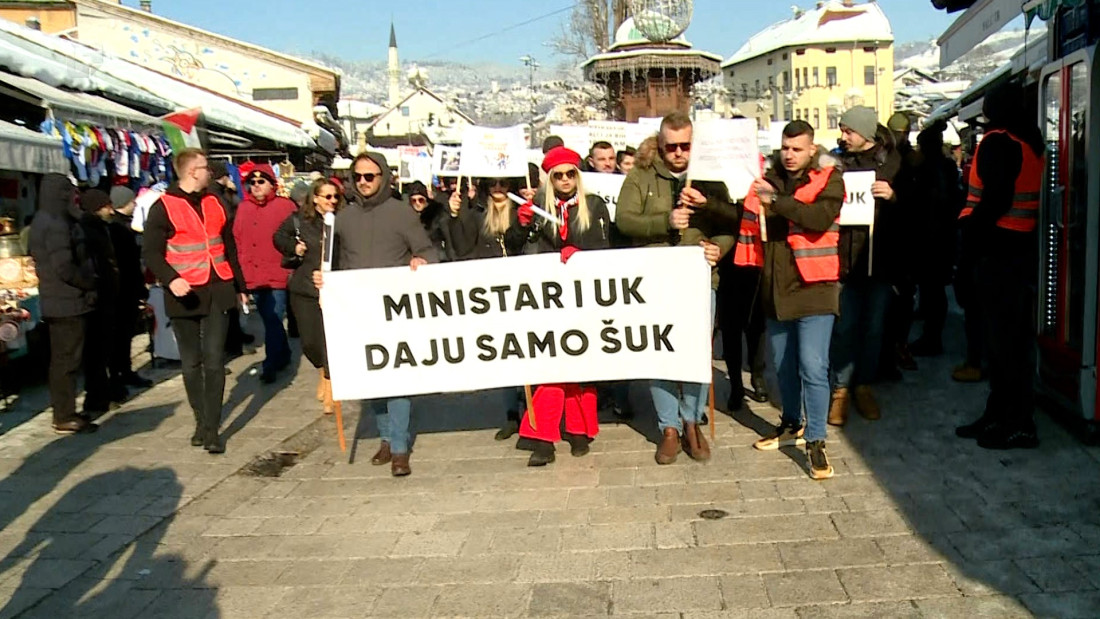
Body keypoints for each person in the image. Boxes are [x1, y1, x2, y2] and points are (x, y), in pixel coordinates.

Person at [616, 112, 735, 464]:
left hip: (699, 276)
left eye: (685, 146)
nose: (679, 153)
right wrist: (663, 222)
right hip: (655, 277)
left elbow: (730, 221)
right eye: (672, 147)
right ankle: (668, 427)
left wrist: (721, 248)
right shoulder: (641, 175)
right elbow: (624, 220)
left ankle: (691, 421)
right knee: (661, 351)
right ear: (661, 143)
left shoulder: (709, 177)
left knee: (698, 354)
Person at [315, 152, 438, 476]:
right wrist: (322, 280)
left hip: (394, 311)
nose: (364, 182)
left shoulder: (401, 213)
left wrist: (421, 261)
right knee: (372, 380)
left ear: (383, 177)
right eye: (358, 177)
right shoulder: (343, 218)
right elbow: (330, 263)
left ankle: (399, 448)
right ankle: (385, 438)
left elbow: (427, 250)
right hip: (357, 311)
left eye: (370, 176)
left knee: (396, 377)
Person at [739, 120, 844, 480]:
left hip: (816, 288)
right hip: (776, 289)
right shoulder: (764, 179)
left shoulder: (830, 178)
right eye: (785, 147)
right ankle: (790, 424)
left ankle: (816, 440)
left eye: (797, 148)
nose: (789, 154)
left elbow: (818, 217)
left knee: (813, 366)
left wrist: (777, 202)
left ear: (812, 149)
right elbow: (746, 219)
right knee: (782, 365)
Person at [954, 82, 1044, 450]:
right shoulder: (1030, 141)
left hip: (996, 254)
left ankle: (1016, 422)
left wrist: (967, 248)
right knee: (1013, 344)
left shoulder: (997, 142)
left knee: (1003, 346)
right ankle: (1001, 415)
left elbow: (993, 201)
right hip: (1020, 251)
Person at [143, 148, 247, 454]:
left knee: (214, 361)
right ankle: (201, 419)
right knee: (191, 364)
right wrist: (170, 278)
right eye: (205, 168)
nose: (210, 173)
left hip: (218, 288)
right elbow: (150, 252)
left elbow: (228, 245)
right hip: (183, 292)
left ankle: (212, 429)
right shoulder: (163, 207)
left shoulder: (216, 201)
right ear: (192, 172)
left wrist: (240, 286)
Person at [513, 146, 611, 466]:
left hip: (582, 296)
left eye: (571, 174)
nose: (565, 180)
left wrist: (579, 251)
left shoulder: (593, 204)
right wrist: (522, 224)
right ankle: (544, 435)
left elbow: (604, 245)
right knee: (550, 362)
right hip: (547, 296)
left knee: (580, 363)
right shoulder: (538, 207)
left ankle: (579, 428)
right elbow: (515, 249)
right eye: (559, 175)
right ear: (550, 178)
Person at [828, 106, 902, 427]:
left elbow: (914, 208)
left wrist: (894, 196)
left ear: (866, 134)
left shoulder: (892, 162)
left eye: (849, 131)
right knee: (844, 328)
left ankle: (864, 385)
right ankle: (840, 390)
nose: (843, 137)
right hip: (844, 262)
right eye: (842, 130)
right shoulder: (836, 162)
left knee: (873, 329)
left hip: (880, 262)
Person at [447, 175, 529, 439]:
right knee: (505, 354)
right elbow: (461, 247)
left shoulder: (521, 210)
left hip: (523, 290)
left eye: (503, 184)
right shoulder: (477, 214)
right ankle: (511, 415)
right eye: (493, 184)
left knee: (527, 352)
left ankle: (531, 412)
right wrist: (455, 215)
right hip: (492, 293)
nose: (498, 189)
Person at [29, 177, 102, 434]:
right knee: (66, 361)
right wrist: (88, 283)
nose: (73, 196)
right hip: (67, 301)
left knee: (64, 359)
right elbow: (64, 266)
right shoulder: (56, 224)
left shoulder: (43, 219)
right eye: (69, 192)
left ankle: (65, 410)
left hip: (58, 300)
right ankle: (64, 414)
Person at [274, 179, 343, 415]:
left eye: (335, 196)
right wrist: (294, 247)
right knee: (311, 343)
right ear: (315, 198)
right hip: (304, 290)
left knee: (330, 341)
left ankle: (331, 383)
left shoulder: (340, 222)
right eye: (327, 197)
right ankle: (323, 370)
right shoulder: (299, 221)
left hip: (333, 289)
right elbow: (279, 238)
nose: (332, 201)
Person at [233, 164, 298, 383]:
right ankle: (284, 353)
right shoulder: (243, 208)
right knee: (270, 319)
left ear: (272, 184)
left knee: (273, 318)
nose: (256, 186)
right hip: (252, 275)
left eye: (261, 182)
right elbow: (238, 241)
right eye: (252, 182)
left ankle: (270, 363)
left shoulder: (285, 206)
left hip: (277, 274)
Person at [908, 123, 963, 357]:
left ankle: (932, 339)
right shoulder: (947, 167)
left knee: (933, 291)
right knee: (933, 290)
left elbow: (929, 208)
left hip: (932, 240)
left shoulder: (929, 171)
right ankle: (932, 336)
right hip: (942, 238)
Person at [78, 189, 122, 409]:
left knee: (103, 348)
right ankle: (96, 396)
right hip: (97, 295)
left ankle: (101, 393)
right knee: (96, 350)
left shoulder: (99, 228)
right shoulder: (87, 230)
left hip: (106, 294)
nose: (110, 210)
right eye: (106, 206)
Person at [106, 186, 152, 394]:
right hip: (122, 291)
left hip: (127, 289)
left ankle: (125, 371)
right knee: (120, 336)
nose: (135, 204)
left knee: (126, 335)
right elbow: (127, 264)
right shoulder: (117, 230)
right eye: (132, 201)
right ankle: (118, 373)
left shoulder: (123, 227)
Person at [406, 180, 455, 262]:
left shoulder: (437, 213)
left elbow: (448, 238)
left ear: (426, 200)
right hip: (416, 260)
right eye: (413, 201)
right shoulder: (407, 217)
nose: (417, 203)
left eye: (420, 200)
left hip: (437, 258)